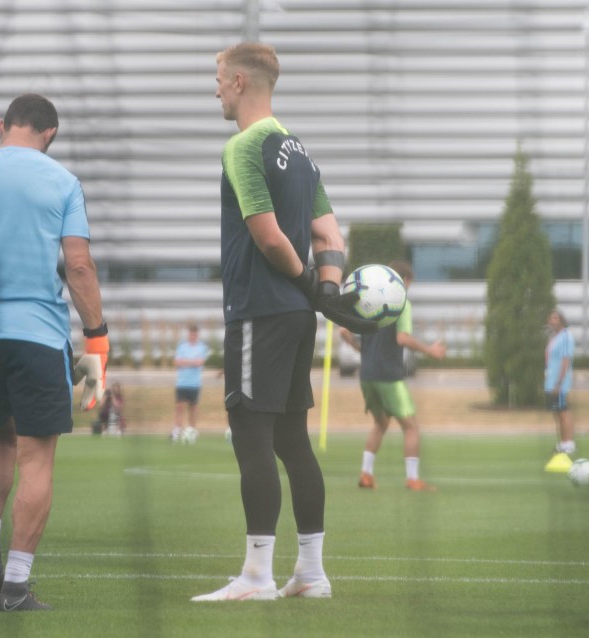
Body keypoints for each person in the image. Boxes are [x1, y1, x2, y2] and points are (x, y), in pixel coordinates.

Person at [192, 42, 376, 603]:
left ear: (242, 81)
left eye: (219, 78)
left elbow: (268, 235)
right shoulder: (300, 152)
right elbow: (331, 237)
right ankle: (312, 574)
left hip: (258, 311)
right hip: (298, 318)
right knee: (294, 441)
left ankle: (255, 578)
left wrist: (307, 289)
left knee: (251, 434)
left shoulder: (243, 146)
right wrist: (325, 292)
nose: (215, 88)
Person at [0, 93, 108, 612]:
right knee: (37, 455)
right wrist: (97, 338)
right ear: (49, 134)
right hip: (36, 334)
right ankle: (14, 585)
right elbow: (78, 267)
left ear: (2, 125)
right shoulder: (62, 181)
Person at [339, 260, 446, 492]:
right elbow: (402, 339)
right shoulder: (401, 302)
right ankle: (413, 479)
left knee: (380, 422)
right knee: (411, 426)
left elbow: (344, 331)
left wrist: (359, 349)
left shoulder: (370, 301)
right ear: (404, 280)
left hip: (367, 374)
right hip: (389, 375)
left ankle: (366, 474)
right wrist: (430, 350)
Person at [545, 308, 576, 458]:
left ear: (562, 320)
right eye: (551, 318)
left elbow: (565, 360)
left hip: (559, 383)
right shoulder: (553, 337)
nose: (552, 321)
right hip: (550, 382)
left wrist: (559, 383)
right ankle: (562, 442)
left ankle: (568, 444)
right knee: (556, 412)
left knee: (563, 411)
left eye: (556, 318)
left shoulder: (566, 336)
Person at [170, 323, 210, 442]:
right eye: (191, 334)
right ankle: (177, 431)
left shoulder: (202, 347)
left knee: (193, 409)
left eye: (194, 334)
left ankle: (192, 430)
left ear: (197, 335)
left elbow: (200, 362)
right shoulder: (182, 346)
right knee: (179, 407)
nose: (192, 336)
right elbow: (177, 362)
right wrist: (192, 362)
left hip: (195, 383)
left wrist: (186, 362)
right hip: (182, 382)